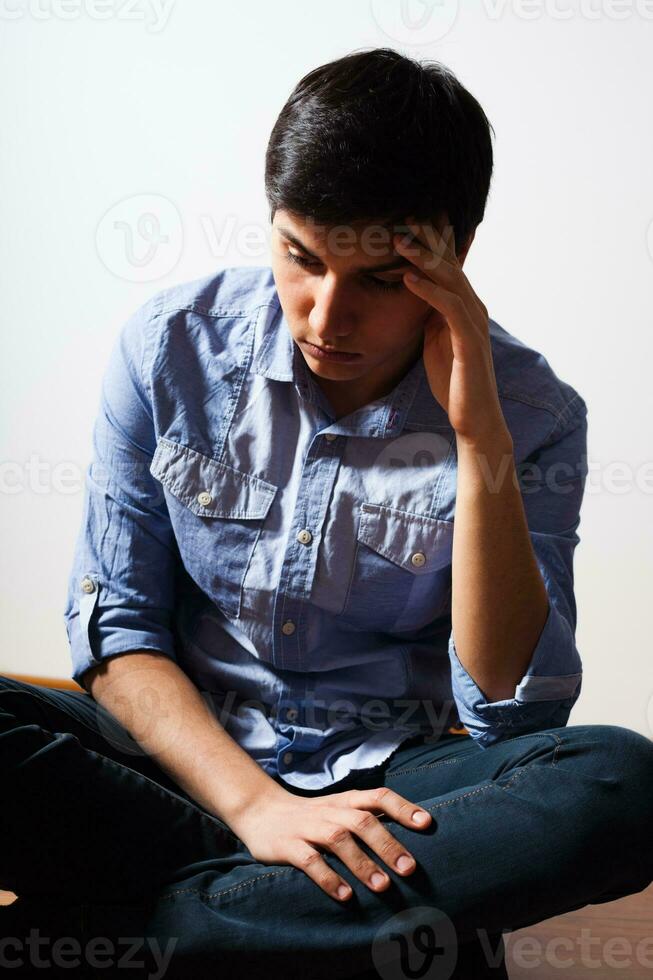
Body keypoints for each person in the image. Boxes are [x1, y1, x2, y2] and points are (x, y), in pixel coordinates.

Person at [1, 47, 652, 980]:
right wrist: (259, 810)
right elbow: (120, 640)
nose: (325, 317)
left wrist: (478, 439)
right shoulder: (172, 345)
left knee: (619, 785)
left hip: (392, 798)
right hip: (186, 769)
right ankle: (291, 923)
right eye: (300, 259)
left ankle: (145, 929)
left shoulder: (535, 413)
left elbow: (513, 715)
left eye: (380, 280)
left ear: (450, 257)